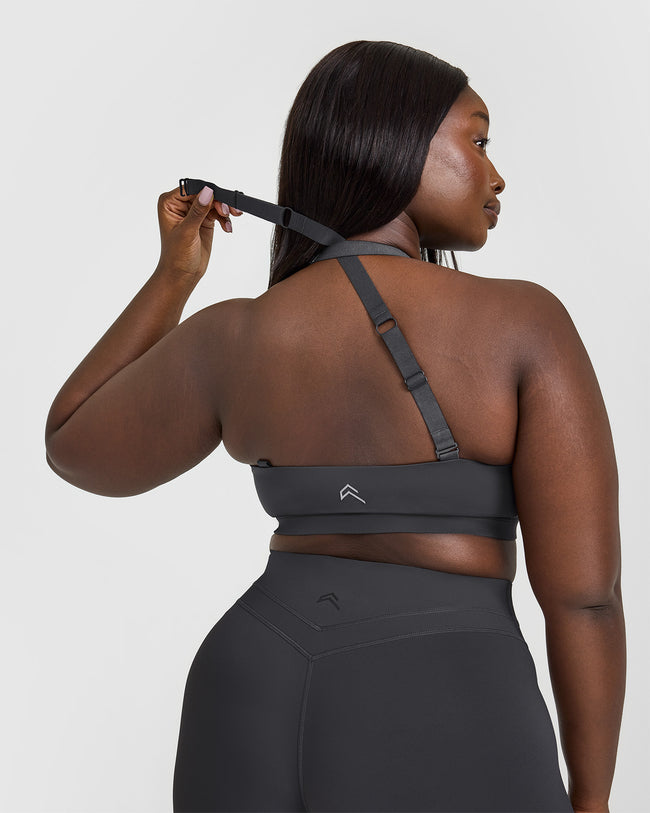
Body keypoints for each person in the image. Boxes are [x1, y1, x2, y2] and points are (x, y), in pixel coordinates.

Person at [45, 40, 625, 813]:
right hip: (451, 691)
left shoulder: (239, 333)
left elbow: (75, 443)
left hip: (252, 686)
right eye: (479, 140)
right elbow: (585, 598)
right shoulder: (522, 322)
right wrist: (593, 800)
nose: (496, 175)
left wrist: (174, 276)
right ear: (394, 144)